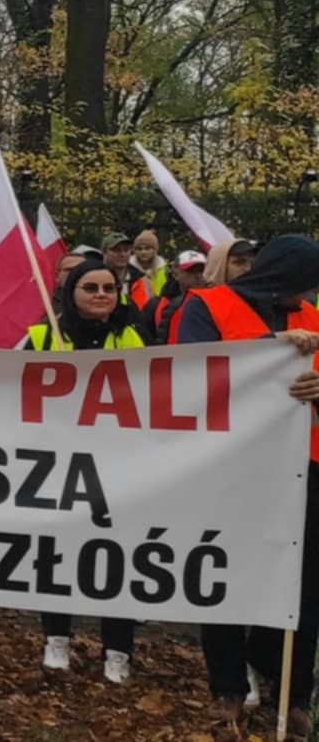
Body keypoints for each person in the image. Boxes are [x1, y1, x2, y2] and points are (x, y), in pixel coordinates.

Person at [175, 235, 319, 734]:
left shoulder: (311, 315)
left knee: (304, 585)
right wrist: (267, 349)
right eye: (304, 283)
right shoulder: (206, 305)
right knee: (223, 575)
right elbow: (189, 370)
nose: (308, 294)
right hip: (232, 463)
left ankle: (294, 695)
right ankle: (228, 690)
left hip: (305, 464)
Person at [21, 259, 145, 683]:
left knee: (118, 558)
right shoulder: (40, 337)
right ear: (71, 293)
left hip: (121, 466)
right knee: (57, 556)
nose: (100, 295)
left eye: (108, 287)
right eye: (89, 287)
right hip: (57, 466)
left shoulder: (135, 337)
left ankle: (118, 649)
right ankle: (56, 638)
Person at [139, 250, 205, 345]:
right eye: (191, 271)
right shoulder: (155, 306)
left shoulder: (216, 302)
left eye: (201, 270)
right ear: (175, 273)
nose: (198, 276)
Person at [132, 230, 167, 302]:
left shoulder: (163, 270)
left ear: (154, 250)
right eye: (139, 249)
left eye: (147, 248)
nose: (143, 252)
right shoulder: (129, 269)